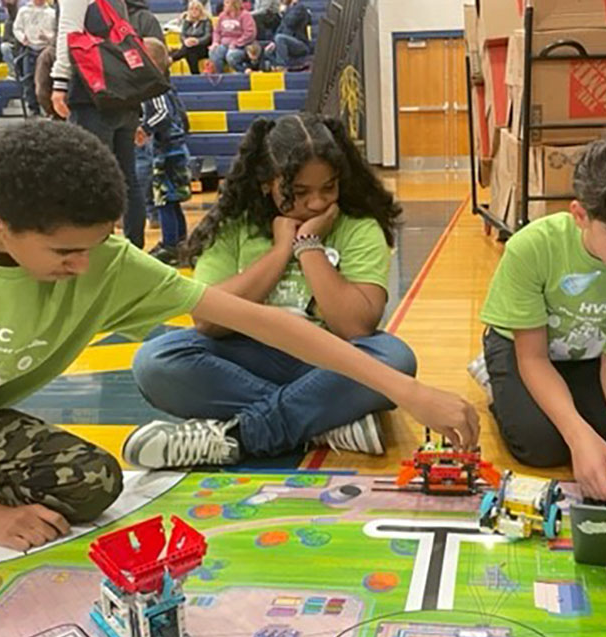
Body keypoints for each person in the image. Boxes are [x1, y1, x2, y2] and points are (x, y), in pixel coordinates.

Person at [0, 122, 477, 553]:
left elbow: (263, 322)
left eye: (97, 244)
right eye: (65, 252)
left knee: (90, 483)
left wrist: (408, 391)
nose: (85, 268)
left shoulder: (104, 262)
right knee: (162, 360)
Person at [126, 113, 416, 464]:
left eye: (329, 187)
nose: (317, 203)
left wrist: (307, 244)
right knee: (156, 361)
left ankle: (239, 435)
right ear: (267, 183)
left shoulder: (357, 227)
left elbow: (354, 327)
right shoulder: (234, 226)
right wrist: (280, 252)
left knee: (395, 359)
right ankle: (323, 422)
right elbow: (207, 321)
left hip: (327, 361)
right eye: (298, 192)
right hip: (247, 359)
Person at [477, 125, 606, 505]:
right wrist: (577, 434)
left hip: (595, 353)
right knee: (539, 444)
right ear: (580, 216)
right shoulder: (532, 248)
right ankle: (492, 376)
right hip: (526, 348)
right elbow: (534, 357)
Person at [51, 0, 164, 248]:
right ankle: (134, 247)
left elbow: (69, 33)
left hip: (92, 94)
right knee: (127, 177)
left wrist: (60, 81)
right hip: (123, 94)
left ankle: (98, 245)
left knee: (90, 176)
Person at [138, 38, 193, 265]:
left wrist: (145, 127)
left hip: (168, 151)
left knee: (164, 199)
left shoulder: (155, 86)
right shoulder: (159, 85)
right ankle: (179, 242)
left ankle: (171, 245)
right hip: (171, 149)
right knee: (171, 199)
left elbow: (163, 115)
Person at [12, 0, 57, 116]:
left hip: (46, 51)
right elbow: (17, 28)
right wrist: (23, 38)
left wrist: (48, 37)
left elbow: (56, 32)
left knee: (46, 81)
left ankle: (49, 109)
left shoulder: (52, 13)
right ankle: (33, 108)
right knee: (28, 79)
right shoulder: (23, 11)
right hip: (29, 49)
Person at [209, 0, 257, 74]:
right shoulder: (222, 15)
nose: (224, 5)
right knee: (213, 52)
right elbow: (217, 32)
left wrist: (236, 43)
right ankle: (220, 75)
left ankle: (244, 70)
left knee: (231, 56)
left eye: (227, 2)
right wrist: (215, 42)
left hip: (241, 45)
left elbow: (250, 33)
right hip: (224, 44)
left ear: (235, 4)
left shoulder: (245, 15)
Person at [264, 0, 312, 71]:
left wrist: (283, 12)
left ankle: (282, 66)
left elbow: (290, 23)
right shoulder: (288, 10)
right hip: (286, 41)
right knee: (268, 51)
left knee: (280, 38)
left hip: (300, 43)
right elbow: (280, 28)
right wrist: (273, 42)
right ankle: (282, 66)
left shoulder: (299, 8)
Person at [171, 0, 213, 75]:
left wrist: (197, 41)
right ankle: (195, 75)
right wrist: (185, 41)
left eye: (196, 9)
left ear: (201, 11)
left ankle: (172, 58)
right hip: (190, 48)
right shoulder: (187, 21)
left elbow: (208, 37)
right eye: (191, 9)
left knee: (188, 50)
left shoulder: (206, 21)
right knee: (190, 52)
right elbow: (182, 35)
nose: (194, 11)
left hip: (203, 47)